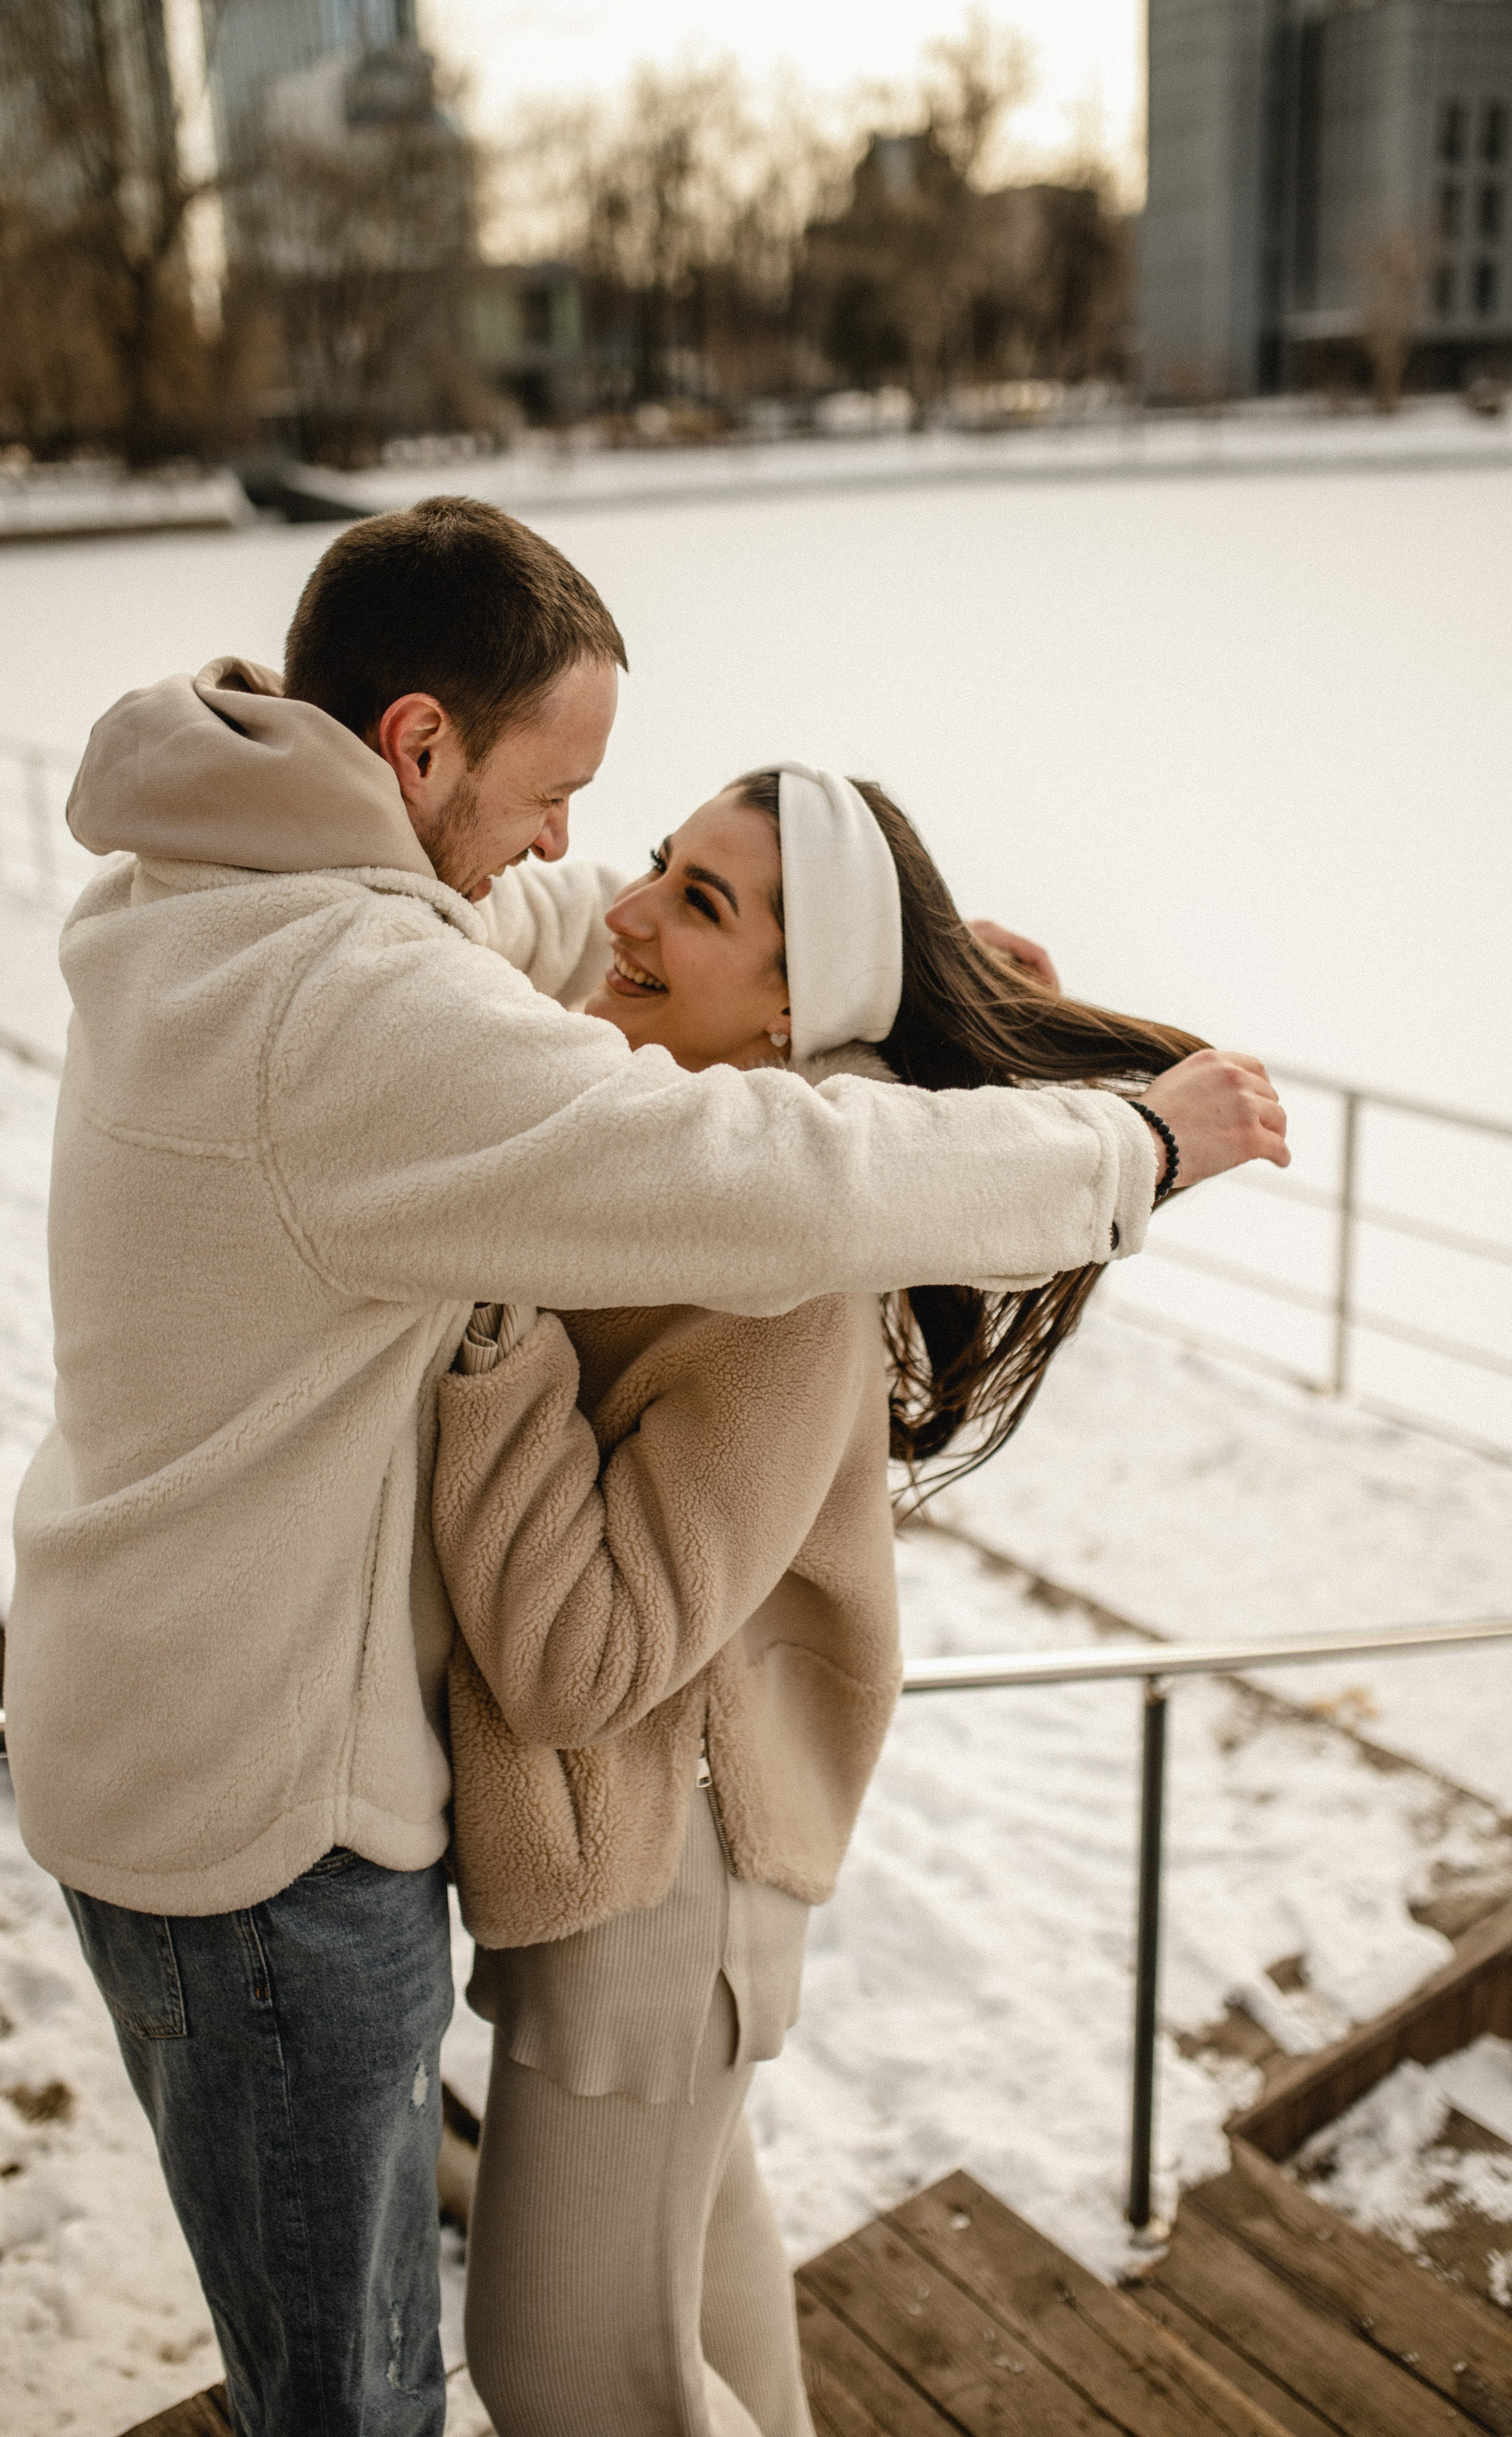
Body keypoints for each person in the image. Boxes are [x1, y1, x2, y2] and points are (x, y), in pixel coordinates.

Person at [7, 498, 1285, 2437]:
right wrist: (1133, 1145)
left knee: (538, 2337)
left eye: (662, 869)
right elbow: (754, 1171)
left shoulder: (222, 879)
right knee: (359, 2399)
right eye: (557, 797)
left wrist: (897, 976)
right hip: (257, 1815)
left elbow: (550, 946)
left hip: (232, 1748)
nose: (566, 860)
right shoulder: (349, 1000)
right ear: (418, 747)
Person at [429, 764, 1288, 2437]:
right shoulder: (702, 1159)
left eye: (700, 903)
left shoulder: (778, 1283)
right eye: (663, 864)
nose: (628, 911)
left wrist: (486, 1315)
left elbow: (582, 1658)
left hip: (655, 1887)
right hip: (655, 1865)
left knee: (564, 2372)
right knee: (693, 2280)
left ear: (793, 1012)